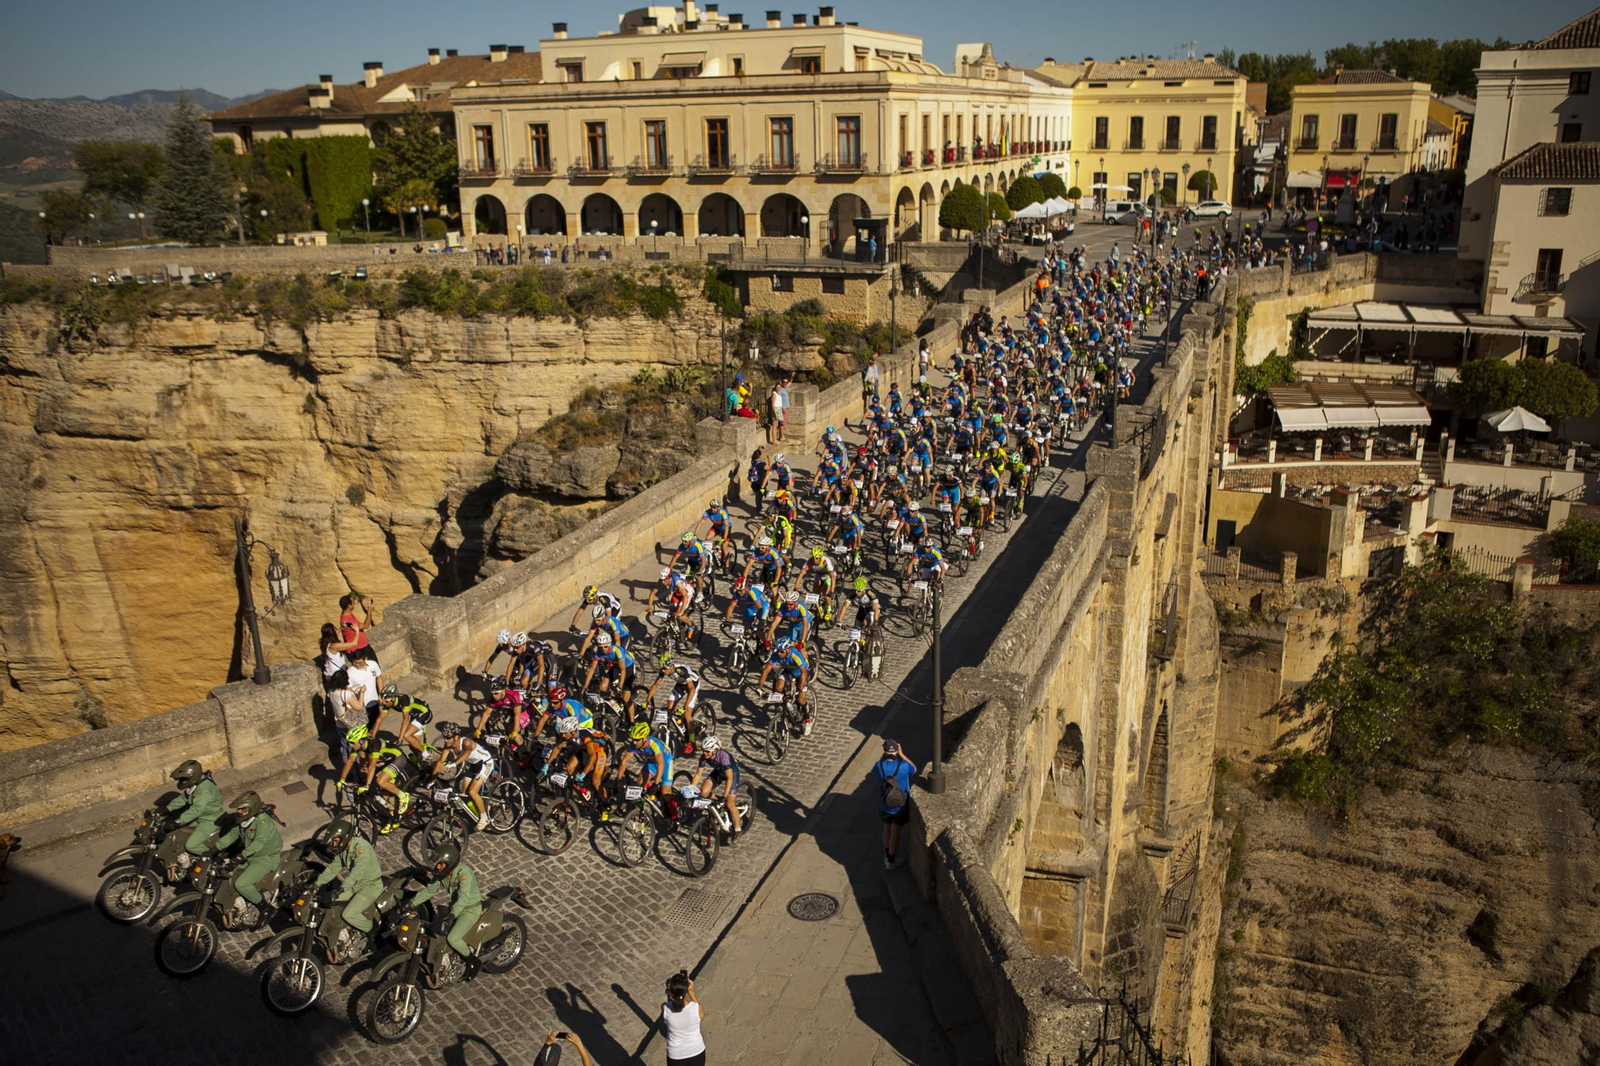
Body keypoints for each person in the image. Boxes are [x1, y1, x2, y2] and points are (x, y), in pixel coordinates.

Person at [408, 843, 483, 978]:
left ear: (450, 863)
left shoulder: (464, 873)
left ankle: (472, 960)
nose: (437, 867)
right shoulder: (441, 875)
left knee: (453, 938)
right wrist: (411, 904)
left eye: (441, 864)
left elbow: (463, 898)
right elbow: (429, 890)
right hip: (454, 908)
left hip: (470, 909)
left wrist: (452, 915)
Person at [314, 818, 384, 960]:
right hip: (354, 885)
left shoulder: (361, 848)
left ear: (344, 838)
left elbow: (357, 872)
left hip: (370, 885)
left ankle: (371, 933)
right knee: (329, 903)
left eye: (334, 841)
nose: (333, 844)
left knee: (349, 914)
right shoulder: (343, 849)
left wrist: (342, 888)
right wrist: (317, 884)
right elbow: (334, 868)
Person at [216, 791, 281, 928]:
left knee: (242, 884)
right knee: (227, 875)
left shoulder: (262, 822)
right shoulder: (243, 821)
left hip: (265, 858)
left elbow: (258, 843)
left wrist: (240, 857)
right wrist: (215, 848)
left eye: (243, 809)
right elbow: (233, 835)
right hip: (250, 855)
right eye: (239, 809)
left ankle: (265, 908)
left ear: (252, 809)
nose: (239, 811)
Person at [163, 759, 223, 866]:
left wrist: (177, 822)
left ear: (193, 776)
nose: (182, 781)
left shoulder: (203, 790)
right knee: (178, 832)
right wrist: (167, 809)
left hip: (211, 819)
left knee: (191, 845)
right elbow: (183, 798)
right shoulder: (195, 785)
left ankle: (213, 860)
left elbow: (196, 810)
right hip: (201, 817)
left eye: (184, 779)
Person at [875, 739, 914, 870]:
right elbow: (914, 769)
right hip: (900, 803)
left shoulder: (878, 765)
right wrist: (902, 754)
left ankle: (886, 855)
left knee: (886, 827)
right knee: (895, 831)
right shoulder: (903, 765)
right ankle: (891, 861)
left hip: (884, 802)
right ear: (896, 750)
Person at [661, 970, 706, 1066]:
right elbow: (701, 1015)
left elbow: (672, 1005)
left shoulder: (665, 1008)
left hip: (675, 1055)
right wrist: (691, 992)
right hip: (696, 1051)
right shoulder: (697, 1008)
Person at [338, 594, 374, 662]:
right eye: (353, 602)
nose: (354, 603)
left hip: (362, 647)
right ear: (349, 606)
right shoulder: (347, 621)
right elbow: (366, 626)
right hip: (357, 649)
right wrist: (369, 611)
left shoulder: (348, 614)